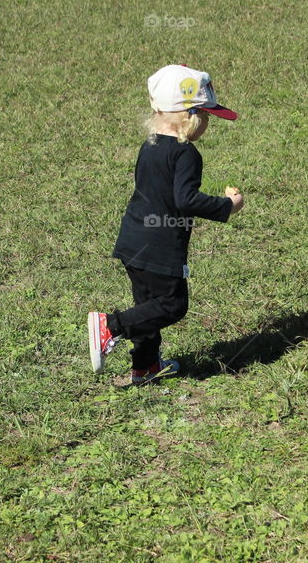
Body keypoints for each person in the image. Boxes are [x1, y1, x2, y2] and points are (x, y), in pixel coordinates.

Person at [88, 64, 244, 385]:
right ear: (190, 117)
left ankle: (145, 367)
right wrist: (227, 206)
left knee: (148, 308)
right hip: (161, 247)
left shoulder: (151, 145)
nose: (208, 123)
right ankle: (110, 325)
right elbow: (185, 200)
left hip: (134, 239)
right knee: (172, 305)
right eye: (206, 116)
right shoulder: (186, 153)